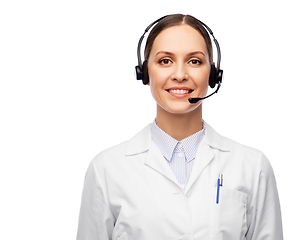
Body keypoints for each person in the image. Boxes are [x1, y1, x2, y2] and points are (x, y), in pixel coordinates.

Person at [77, 14, 283, 240]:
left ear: (213, 74)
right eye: (165, 61)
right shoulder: (106, 169)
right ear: (145, 72)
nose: (179, 75)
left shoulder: (252, 167)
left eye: (194, 61)